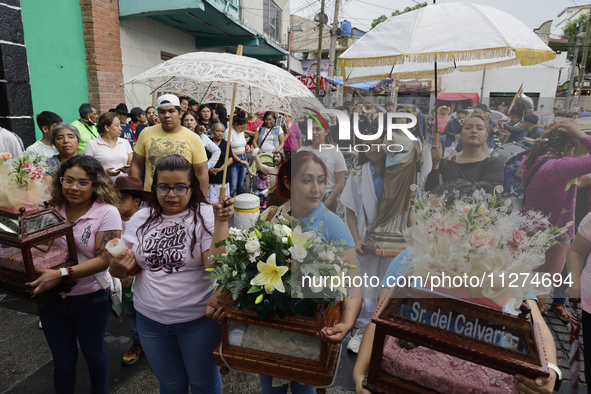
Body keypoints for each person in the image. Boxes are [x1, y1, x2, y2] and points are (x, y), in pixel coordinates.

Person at [352, 179, 561, 394]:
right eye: (426, 215)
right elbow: (380, 319)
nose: (429, 224)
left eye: (437, 215)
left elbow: (538, 329)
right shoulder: (409, 259)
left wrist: (551, 371)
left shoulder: (501, 265)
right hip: (408, 376)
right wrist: (359, 374)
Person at [208, 151, 361, 394]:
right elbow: (248, 267)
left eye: (321, 180)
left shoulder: (334, 226)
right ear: (288, 182)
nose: (316, 189)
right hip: (269, 322)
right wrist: (222, 292)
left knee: (305, 387)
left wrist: (347, 322)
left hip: (311, 328)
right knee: (269, 387)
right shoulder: (271, 216)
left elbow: (352, 283)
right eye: (307, 179)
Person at [109, 154, 235, 394]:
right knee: (170, 383)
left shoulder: (206, 215)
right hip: (149, 320)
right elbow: (121, 270)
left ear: (192, 187)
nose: (171, 195)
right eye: (163, 187)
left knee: (203, 383)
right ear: (154, 187)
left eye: (180, 187)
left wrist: (221, 222)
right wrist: (117, 266)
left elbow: (215, 267)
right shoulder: (141, 218)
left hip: (197, 321)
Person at [27, 155, 122, 394]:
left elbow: (103, 260)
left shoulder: (107, 213)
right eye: (68, 180)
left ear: (96, 183)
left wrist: (59, 274)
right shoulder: (51, 208)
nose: (74, 188)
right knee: (63, 360)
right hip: (51, 298)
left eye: (83, 182)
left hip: (91, 297)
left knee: (94, 353)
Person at [520, 118, 591, 320]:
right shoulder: (561, 167)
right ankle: (531, 338)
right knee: (537, 299)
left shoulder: (531, 160)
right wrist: (581, 134)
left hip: (525, 231)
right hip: (554, 239)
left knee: (519, 290)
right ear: (568, 147)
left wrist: (547, 136)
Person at [340, 134, 389, 353]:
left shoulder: (399, 172)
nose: (373, 148)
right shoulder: (358, 172)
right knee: (366, 286)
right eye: (367, 144)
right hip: (365, 239)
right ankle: (361, 329)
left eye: (377, 143)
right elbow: (350, 209)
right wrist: (356, 239)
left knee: (388, 286)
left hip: (392, 241)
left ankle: (384, 332)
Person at [129, 94, 208, 196]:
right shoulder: (146, 133)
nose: (166, 115)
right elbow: (136, 165)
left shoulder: (193, 138)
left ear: (180, 113)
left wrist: (200, 203)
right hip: (152, 198)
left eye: (171, 111)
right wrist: (135, 195)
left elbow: (202, 174)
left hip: (182, 199)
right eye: (162, 112)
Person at [114, 176, 151, 366]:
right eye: (114, 196)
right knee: (129, 312)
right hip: (118, 276)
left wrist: (130, 275)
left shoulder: (144, 221)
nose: (117, 201)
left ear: (136, 201)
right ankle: (137, 341)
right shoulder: (111, 220)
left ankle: (152, 343)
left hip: (139, 278)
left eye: (123, 198)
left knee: (143, 311)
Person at [426, 114, 503, 194]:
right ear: (461, 135)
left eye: (479, 128)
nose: (474, 131)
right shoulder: (444, 162)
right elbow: (430, 193)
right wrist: (435, 165)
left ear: (486, 136)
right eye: (468, 128)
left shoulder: (494, 164)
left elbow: (487, 195)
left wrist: (445, 187)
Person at [298, 122, 346, 213]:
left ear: (327, 131)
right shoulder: (302, 151)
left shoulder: (334, 152)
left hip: (327, 201)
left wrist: (325, 205)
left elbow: (340, 183)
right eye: (311, 129)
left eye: (318, 129)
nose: (314, 132)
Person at [84, 112, 133, 181]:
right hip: (102, 185)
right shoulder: (92, 144)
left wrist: (128, 169)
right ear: (107, 127)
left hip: (123, 184)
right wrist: (103, 172)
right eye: (117, 125)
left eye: (120, 125)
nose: (121, 129)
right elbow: (87, 169)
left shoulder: (125, 142)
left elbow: (133, 164)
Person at [207, 123, 233, 204]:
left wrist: (219, 169)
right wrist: (209, 169)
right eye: (217, 131)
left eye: (222, 131)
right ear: (212, 131)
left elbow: (230, 160)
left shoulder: (226, 144)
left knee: (222, 202)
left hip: (222, 177)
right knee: (209, 202)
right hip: (209, 177)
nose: (220, 133)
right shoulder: (207, 143)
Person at [224, 117, 250, 197]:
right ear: (236, 124)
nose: (243, 129)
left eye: (245, 128)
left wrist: (247, 146)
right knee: (233, 185)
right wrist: (240, 160)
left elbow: (242, 143)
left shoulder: (241, 131)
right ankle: (228, 205)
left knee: (241, 185)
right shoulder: (229, 132)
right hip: (234, 160)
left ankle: (240, 205)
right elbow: (228, 150)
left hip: (243, 156)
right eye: (242, 127)